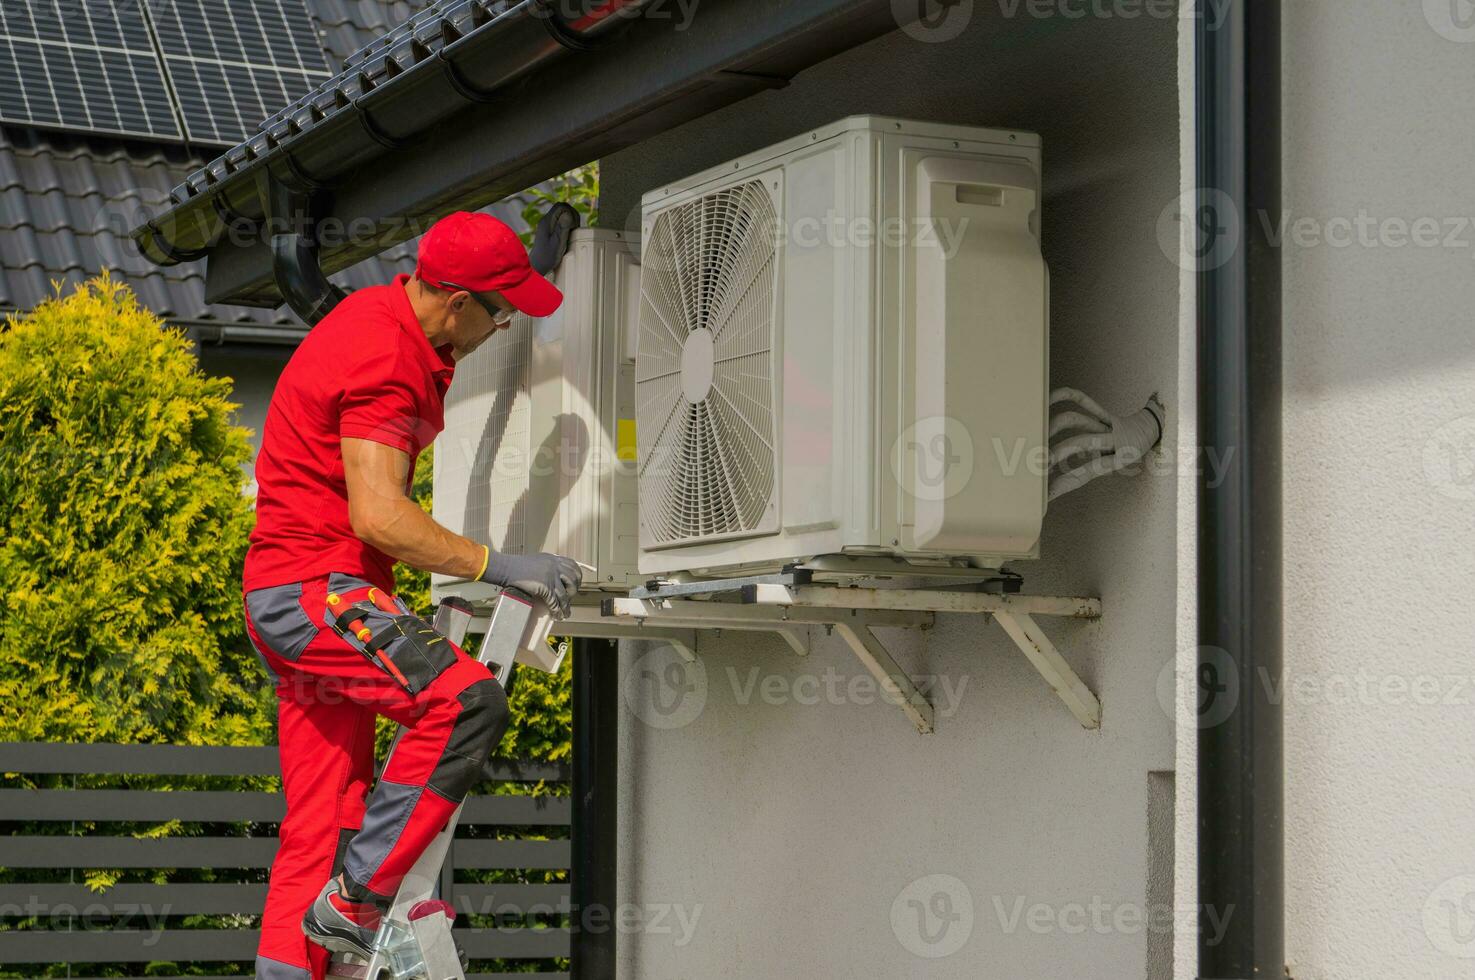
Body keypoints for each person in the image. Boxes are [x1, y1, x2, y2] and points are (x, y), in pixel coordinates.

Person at [241, 212, 583, 980]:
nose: (503, 327)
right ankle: (356, 903)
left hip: (285, 593)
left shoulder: (385, 318)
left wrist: (533, 274)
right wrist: (498, 564)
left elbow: (478, 331)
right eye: (500, 312)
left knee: (321, 825)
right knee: (464, 704)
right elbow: (379, 514)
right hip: (316, 592)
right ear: (456, 301)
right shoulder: (387, 356)